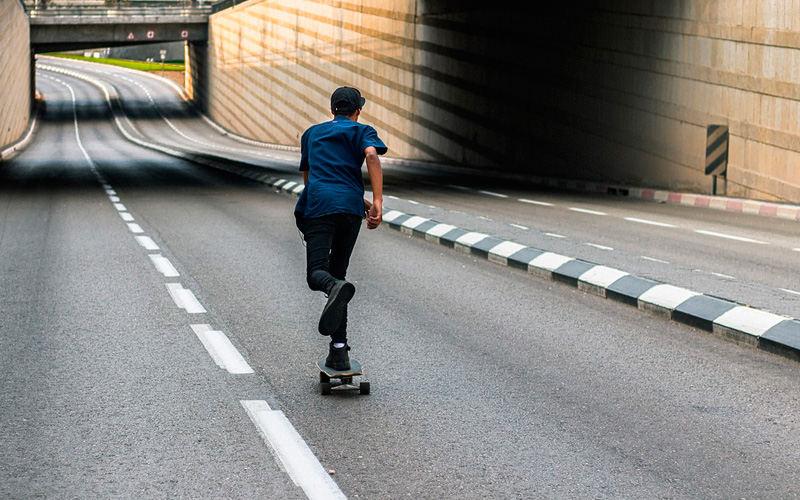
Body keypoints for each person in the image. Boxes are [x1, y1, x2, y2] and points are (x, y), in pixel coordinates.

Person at [294, 86, 386, 370]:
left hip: (320, 205)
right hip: (349, 209)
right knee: (339, 275)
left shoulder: (311, 134)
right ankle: (339, 350)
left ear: (332, 109)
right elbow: (371, 156)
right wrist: (378, 201)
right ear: (358, 110)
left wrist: (324, 198)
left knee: (317, 276)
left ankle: (335, 287)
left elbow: (310, 177)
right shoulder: (362, 131)